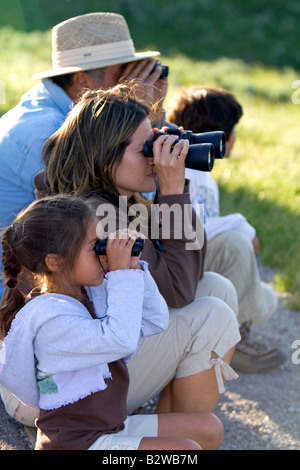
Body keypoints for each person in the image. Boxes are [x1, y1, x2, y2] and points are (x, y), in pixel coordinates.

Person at [0, 194, 224, 450]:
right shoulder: (50, 319)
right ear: (56, 261)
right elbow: (121, 340)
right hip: (76, 444)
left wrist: (134, 269)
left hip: (107, 428)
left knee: (208, 428)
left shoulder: (89, 293)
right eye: (95, 245)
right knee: (185, 452)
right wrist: (120, 276)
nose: (103, 252)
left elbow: (155, 320)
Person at [0, 11, 168, 300]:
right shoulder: (46, 134)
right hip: (18, 289)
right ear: (82, 82)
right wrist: (135, 116)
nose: (133, 84)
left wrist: (143, 122)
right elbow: (130, 211)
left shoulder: (50, 107)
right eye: (124, 75)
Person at [166, 85, 286, 373]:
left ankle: (235, 326)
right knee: (235, 242)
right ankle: (234, 341)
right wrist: (242, 227)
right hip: (183, 266)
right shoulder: (178, 172)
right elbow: (197, 230)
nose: (235, 138)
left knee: (267, 299)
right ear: (219, 135)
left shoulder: (208, 179)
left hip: (200, 265)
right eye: (233, 130)